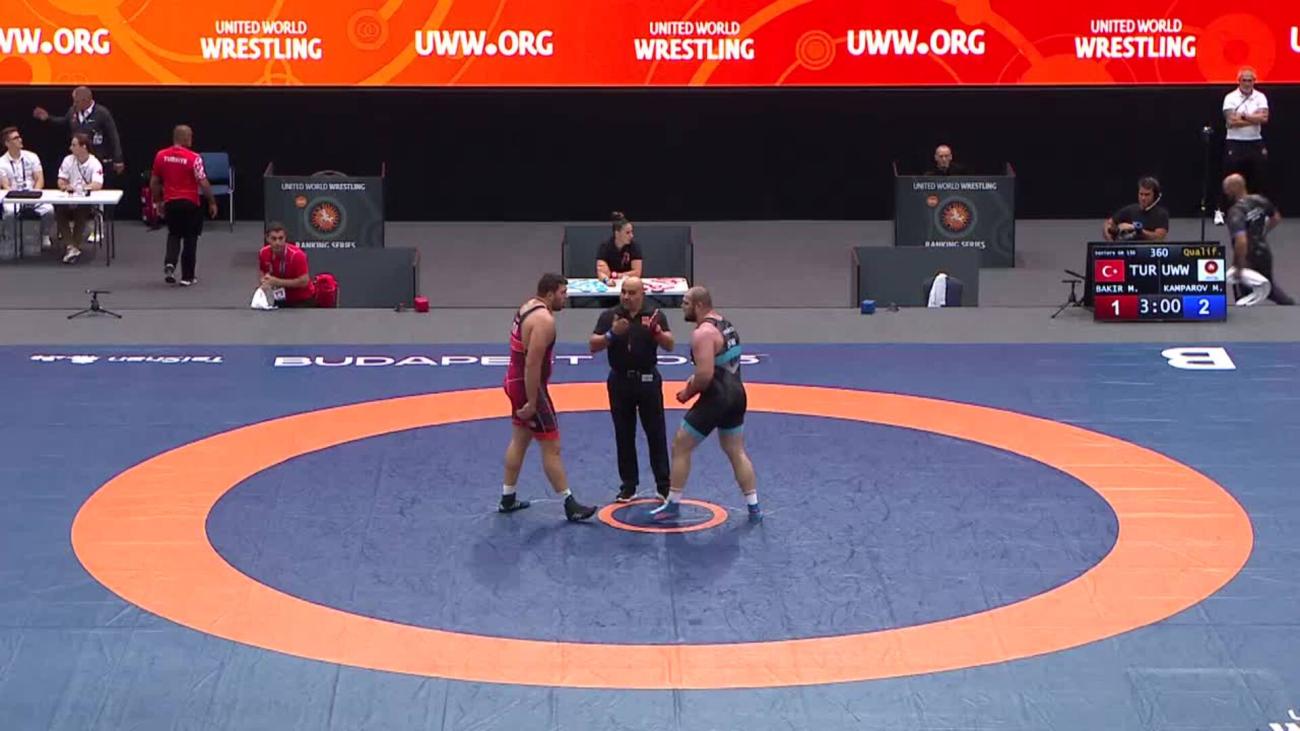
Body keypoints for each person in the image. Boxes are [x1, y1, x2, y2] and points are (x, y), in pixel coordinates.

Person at [650, 286, 760, 523]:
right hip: (737, 394)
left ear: (699, 305)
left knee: (681, 445)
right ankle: (754, 507)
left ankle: (673, 505)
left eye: (686, 303)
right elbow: (721, 366)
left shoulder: (703, 333)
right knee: (736, 451)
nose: (682, 307)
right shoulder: (726, 325)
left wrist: (687, 393)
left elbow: (705, 376)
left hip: (717, 398)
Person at [501, 273, 598, 521]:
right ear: (550, 293)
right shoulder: (544, 320)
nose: (566, 298)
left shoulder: (528, 306)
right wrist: (533, 401)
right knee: (551, 445)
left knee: (520, 439)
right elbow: (532, 363)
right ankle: (570, 504)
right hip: (528, 386)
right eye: (563, 293)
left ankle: (507, 497)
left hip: (514, 380)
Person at [589, 276, 674, 502]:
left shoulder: (655, 314)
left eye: (632, 293)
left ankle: (664, 485)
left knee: (656, 433)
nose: (626, 297)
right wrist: (612, 334)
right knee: (624, 434)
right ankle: (629, 485)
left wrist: (657, 332)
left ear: (642, 294)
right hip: (620, 381)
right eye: (624, 292)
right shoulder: (610, 316)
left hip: (647, 380)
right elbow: (593, 345)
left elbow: (670, 344)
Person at [150, 125, 217, 286]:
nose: (192, 139)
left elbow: (154, 182)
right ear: (185, 138)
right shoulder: (194, 158)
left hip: (171, 203)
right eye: (190, 136)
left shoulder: (161, 155)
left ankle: (170, 264)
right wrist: (212, 201)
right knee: (190, 238)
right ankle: (187, 277)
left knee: (174, 234)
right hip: (190, 203)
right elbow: (203, 182)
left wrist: (158, 201)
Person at [1223, 173, 1292, 306]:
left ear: (1234, 188)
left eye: (1227, 189)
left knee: (1243, 295)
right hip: (1263, 251)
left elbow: (1241, 241)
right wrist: (1260, 234)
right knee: (1269, 288)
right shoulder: (1259, 200)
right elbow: (1276, 218)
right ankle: (1290, 305)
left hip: (1248, 256)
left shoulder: (1236, 212)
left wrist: (1238, 266)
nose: (1225, 193)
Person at [33, 86, 125, 177]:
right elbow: (63, 122)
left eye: (76, 101)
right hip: (78, 159)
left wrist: (118, 158)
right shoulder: (72, 111)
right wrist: (48, 118)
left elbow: (113, 136)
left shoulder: (102, 113)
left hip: (98, 158)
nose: (74, 104)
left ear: (85, 100)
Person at [1217, 67, 1269, 225]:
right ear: (1239, 81)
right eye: (1244, 80)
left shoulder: (1260, 97)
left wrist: (1244, 116)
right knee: (1230, 177)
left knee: (1257, 177)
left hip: (1255, 141)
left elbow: (1264, 118)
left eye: (1250, 80)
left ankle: (1257, 211)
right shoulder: (1230, 97)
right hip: (1235, 142)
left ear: (1254, 81)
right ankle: (1221, 211)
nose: (1247, 83)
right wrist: (1254, 118)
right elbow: (1231, 121)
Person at [0, 126, 54, 251]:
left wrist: (34, 194)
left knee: (49, 210)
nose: (20, 140)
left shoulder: (32, 156)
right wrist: (16, 196)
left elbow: (39, 179)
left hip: (33, 194)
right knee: (9, 213)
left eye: (19, 137)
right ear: (7, 143)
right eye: (15, 138)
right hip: (13, 197)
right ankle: (13, 237)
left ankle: (44, 235)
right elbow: (5, 185)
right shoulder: (1, 162)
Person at [54, 133, 104, 264]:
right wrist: (65, 186)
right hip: (69, 200)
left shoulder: (94, 163)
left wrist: (83, 188)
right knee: (59, 211)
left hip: (85, 202)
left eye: (74, 145)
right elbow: (61, 180)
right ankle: (72, 247)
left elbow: (97, 184)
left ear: (84, 147)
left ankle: (72, 247)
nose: (70, 148)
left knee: (82, 211)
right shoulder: (67, 160)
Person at [257, 222, 316, 307]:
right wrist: (264, 281)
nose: (277, 242)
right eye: (274, 239)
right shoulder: (263, 253)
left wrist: (277, 282)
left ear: (285, 238)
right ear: (267, 239)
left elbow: (304, 281)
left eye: (281, 238)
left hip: (302, 300)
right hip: (279, 299)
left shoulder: (297, 255)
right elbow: (263, 272)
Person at [1103, 176, 1169, 242]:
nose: (1143, 198)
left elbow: (1159, 237)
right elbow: (1108, 224)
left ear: (1155, 196)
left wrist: (1137, 229)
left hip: (1148, 247)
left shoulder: (1161, 214)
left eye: (1147, 195)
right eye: (1141, 194)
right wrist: (1112, 241)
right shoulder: (1131, 209)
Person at [596, 211, 643, 284]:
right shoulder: (605, 246)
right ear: (617, 233)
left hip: (629, 283)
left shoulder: (634, 246)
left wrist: (617, 275)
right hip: (611, 284)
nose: (632, 236)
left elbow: (637, 273)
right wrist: (607, 281)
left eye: (632, 232)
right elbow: (601, 271)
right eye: (627, 233)